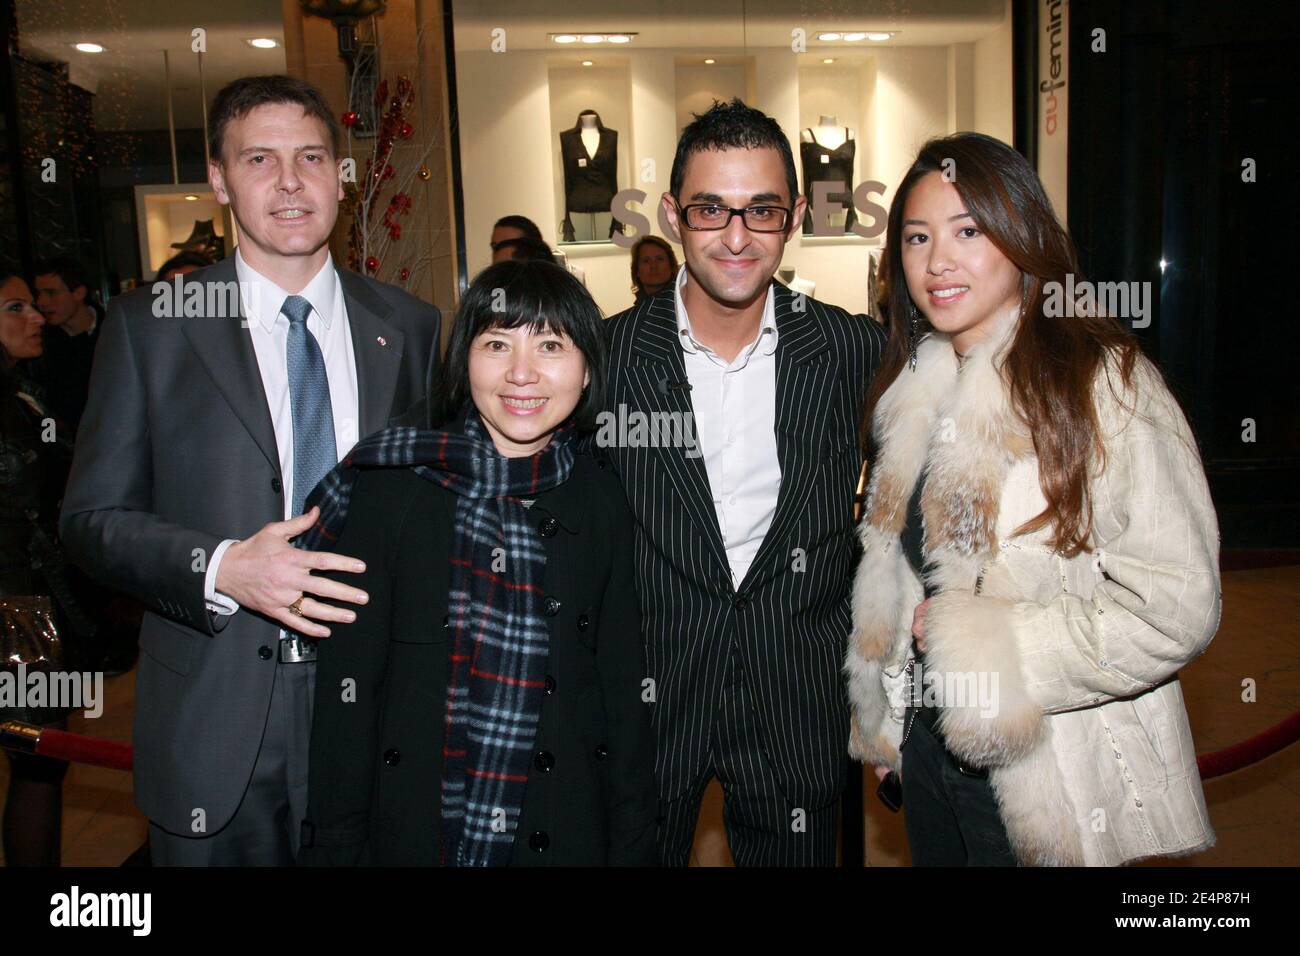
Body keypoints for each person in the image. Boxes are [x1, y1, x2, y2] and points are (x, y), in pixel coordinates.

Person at [59, 74, 441, 866]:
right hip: (216, 712)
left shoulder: (407, 326)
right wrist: (224, 568)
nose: (291, 181)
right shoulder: (151, 329)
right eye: (259, 159)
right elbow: (91, 521)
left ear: (340, 174)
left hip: (369, 712)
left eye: (310, 156)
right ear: (219, 178)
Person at [846, 132, 1220, 866]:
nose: (937, 261)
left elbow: (1177, 602)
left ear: (1023, 236)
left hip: (1050, 768)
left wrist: (997, 648)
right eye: (917, 238)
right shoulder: (912, 395)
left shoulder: (1101, 386)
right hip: (931, 762)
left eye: (968, 231)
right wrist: (892, 722)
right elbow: (904, 582)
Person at [601, 98, 886, 866]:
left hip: (796, 686)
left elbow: (903, 516)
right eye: (709, 210)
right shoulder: (606, 360)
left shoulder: (855, 350)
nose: (735, 237)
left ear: (793, 215)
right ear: (671, 214)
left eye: (760, 210)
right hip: (648, 691)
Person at [298, 259, 657, 866]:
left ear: (588, 366)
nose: (522, 373)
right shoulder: (393, 486)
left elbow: (622, 690)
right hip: (417, 821)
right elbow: (348, 691)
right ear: (464, 360)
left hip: (565, 819)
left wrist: (632, 840)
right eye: (496, 343)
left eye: (550, 345)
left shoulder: (603, 494)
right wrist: (335, 844)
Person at [0, 272, 78, 866]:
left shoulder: (22, 388)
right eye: (16, 307)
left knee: (42, 760)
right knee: (38, 759)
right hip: (17, 606)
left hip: (32, 601)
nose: (36, 318)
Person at [29, 256, 102, 431]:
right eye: (38, 294)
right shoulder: (37, 344)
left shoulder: (115, 331)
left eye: (51, 293)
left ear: (79, 293)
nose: (41, 302)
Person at [629, 235, 678, 303]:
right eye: (646, 261)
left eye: (659, 259)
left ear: (672, 265)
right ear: (637, 270)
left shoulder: (686, 304)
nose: (653, 266)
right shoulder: (635, 312)